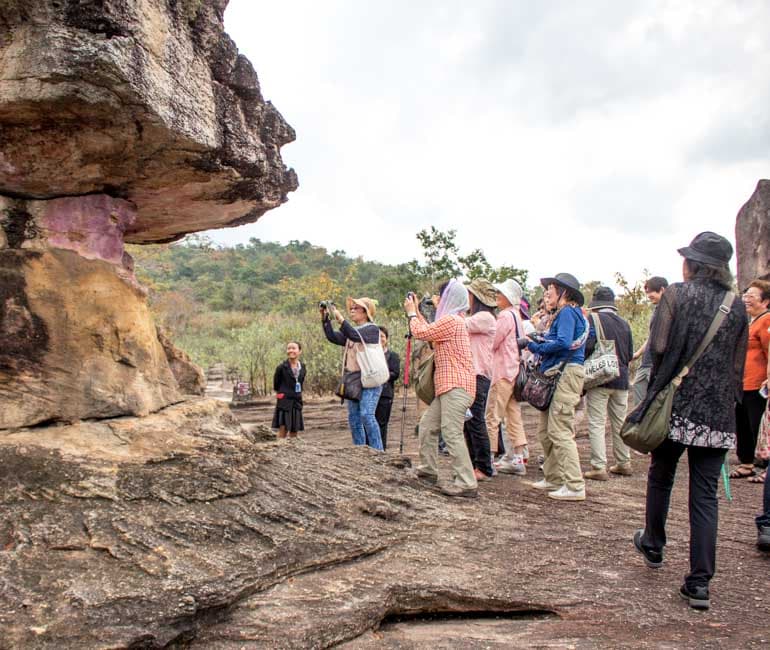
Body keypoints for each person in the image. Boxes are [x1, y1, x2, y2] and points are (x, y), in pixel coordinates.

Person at [630, 232, 747, 611]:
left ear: (693, 264)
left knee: (661, 475)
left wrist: (655, 393)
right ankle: (699, 583)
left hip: (676, 405)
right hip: (717, 413)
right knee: (705, 496)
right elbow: (737, 362)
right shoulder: (737, 304)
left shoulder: (676, 295)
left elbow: (660, 348)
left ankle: (653, 542)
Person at [404, 280, 478, 498]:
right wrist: (416, 310)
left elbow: (421, 332)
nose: (438, 298)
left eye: (441, 295)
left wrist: (411, 314)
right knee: (427, 425)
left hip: (456, 386)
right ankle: (428, 471)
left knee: (451, 431)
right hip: (448, 387)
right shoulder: (453, 322)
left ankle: (466, 483)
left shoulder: (453, 321)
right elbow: (428, 330)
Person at [525, 273, 588, 501]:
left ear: (564, 292)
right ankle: (553, 477)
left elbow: (562, 342)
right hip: (558, 373)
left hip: (566, 373)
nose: (547, 293)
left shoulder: (569, 312)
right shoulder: (565, 314)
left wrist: (534, 346)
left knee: (559, 429)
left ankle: (574, 484)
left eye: (550, 289)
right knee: (545, 430)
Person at [582, 287, 635, 480]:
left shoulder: (593, 320)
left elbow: (587, 347)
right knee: (619, 422)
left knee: (596, 422)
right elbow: (629, 354)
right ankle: (623, 462)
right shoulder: (624, 323)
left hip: (600, 379)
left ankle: (598, 466)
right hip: (621, 379)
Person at [322, 297, 384, 451]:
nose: (352, 310)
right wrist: (325, 318)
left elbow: (355, 335)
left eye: (356, 308)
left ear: (366, 311)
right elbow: (333, 337)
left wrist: (340, 318)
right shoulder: (353, 332)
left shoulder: (372, 329)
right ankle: (359, 451)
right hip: (354, 380)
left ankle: (378, 451)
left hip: (370, 379)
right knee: (354, 418)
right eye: (352, 308)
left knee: (366, 415)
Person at [486, 278, 528, 476]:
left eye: (499, 294)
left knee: (493, 416)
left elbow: (493, 342)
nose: (497, 296)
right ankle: (518, 457)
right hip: (514, 371)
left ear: (507, 297)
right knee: (514, 415)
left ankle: (489, 459)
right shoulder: (517, 316)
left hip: (501, 371)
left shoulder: (504, 316)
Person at [730, 279, 770, 482]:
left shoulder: (767, 320)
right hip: (742, 383)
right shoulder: (749, 322)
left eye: (752, 296)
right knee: (743, 424)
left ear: (765, 301)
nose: (747, 299)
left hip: (759, 384)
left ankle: (766, 467)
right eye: (746, 295)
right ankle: (746, 463)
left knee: (758, 425)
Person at [464, 279, 497, 480]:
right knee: (469, 421)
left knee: (476, 420)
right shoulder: (480, 317)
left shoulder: (484, 317)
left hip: (479, 374)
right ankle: (475, 464)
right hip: (472, 373)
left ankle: (484, 467)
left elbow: (459, 326)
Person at [630, 276, 668, 408]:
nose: (648, 296)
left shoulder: (669, 311)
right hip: (646, 362)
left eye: (650, 293)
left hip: (655, 364)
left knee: (653, 404)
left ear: (662, 290)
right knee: (639, 398)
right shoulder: (658, 310)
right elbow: (652, 336)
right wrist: (638, 353)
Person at [272, 341, 306, 439]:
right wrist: (282, 394)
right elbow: (276, 385)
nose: (291, 350)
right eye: (289, 348)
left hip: (296, 400)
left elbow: (301, 381)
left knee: (294, 429)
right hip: (284, 401)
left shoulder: (303, 367)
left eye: (293, 348)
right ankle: (280, 449)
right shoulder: (281, 367)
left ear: (300, 351)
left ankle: (293, 450)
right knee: (283, 428)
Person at [375, 326, 400, 450]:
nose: (380, 339)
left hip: (385, 394)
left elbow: (395, 373)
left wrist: (382, 374)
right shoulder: (371, 355)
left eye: (382, 336)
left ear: (387, 339)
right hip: (370, 392)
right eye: (377, 336)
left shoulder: (393, 356)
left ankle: (381, 450)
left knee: (382, 423)